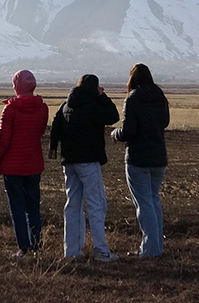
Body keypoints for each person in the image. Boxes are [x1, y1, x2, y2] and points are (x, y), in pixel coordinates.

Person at [49, 74, 121, 262]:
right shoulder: (92, 106)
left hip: (69, 161)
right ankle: (101, 249)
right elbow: (113, 116)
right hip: (88, 161)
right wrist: (102, 96)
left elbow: (55, 128)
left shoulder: (66, 105)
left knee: (72, 204)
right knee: (96, 204)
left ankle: (71, 250)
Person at [0, 70, 49, 259]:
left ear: (16, 86)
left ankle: (23, 247)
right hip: (33, 163)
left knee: (17, 207)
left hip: (12, 167)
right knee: (33, 207)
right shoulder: (43, 108)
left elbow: (3, 141)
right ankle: (37, 245)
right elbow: (38, 133)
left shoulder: (10, 109)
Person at [111, 63, 170, 258]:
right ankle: (156, 246)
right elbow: (165, 122)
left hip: (138, 158)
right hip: (159, 156)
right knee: (153, 200)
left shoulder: (133, 99)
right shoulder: (159, 96)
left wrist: (115, 133)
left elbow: (129, 131)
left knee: (143, 205)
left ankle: (150, 250)